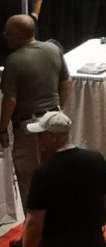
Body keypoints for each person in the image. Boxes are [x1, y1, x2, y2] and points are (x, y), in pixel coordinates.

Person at [0, 14, 70, 212]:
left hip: (29, 128)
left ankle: (33, 233)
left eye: (8, 34)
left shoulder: (13, 61)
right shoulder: (53, 49)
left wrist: (2, 129)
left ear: (18, 36)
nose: (5, 37)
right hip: (55, 121)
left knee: (29, 179)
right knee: (57, 175)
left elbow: (10, 99)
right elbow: (67, 82)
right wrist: (58, 109)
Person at [21, 110, 106, 247]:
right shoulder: (96, 160)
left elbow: (34, 222)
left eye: (41, 135)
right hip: (93, 241)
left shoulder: (43, 172)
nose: (38, 141)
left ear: (53, 137)